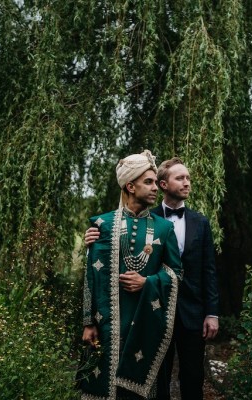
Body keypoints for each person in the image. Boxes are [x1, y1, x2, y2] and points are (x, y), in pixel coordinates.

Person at [85, 157, 219, 400]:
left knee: (190, 376)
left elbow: (205, 271)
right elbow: (94, 273)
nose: (187, 183)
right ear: (132, 186)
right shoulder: (114, 223)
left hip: (182, 312)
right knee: (148, 380)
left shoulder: (188, 224)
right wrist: (88, 321)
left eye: (188, 177)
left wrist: (212, 313)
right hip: (133, 317)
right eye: (181, 178)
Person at [79, 150, 183, 400]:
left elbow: (176, 273)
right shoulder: (102, 225)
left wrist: (148, 281)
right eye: (148, 182)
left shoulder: (164, 228)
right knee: (104, 383)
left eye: (155, 182)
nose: (155, 187)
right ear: (130, 186)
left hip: (146, 320)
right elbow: (90, 276)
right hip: (107, 324)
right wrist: (88, 322)